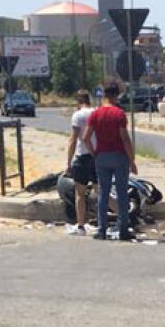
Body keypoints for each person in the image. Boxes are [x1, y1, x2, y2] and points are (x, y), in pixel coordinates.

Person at [83, 78, 138, 240]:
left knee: (103, 194)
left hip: (102, 156)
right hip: (119, 156)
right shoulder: (119, 114)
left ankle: (102, 230)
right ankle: (123, 229)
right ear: (116, 95)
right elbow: (125, 138)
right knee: (122, 193)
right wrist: (132, 159)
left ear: (103, 94)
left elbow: (86, 138)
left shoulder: (95, 114)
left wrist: (94, 153)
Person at [64, 89, 95, 236]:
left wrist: (68, 163)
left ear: (78, 102)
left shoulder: (78, 115)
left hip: (82, 157)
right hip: (96, 156)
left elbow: (73, 139)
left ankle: (81, 226)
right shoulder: (96, 113)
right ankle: (123, 217)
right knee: (102, 192)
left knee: (80, 194)